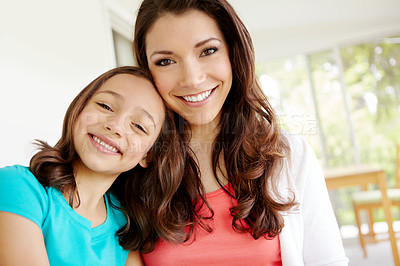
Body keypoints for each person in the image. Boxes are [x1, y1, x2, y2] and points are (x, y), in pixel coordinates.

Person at [121, 0, 350, 265]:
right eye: (166, 61)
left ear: (233, 53)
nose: (192, 78)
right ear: (146, 71)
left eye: (207, 51)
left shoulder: (289, 155)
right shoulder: (134, 163)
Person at [0, 66, 169, 265]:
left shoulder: (124, 227)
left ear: (147, 155)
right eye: (105, 106)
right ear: (80, 107)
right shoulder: (18, 186)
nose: (115, 126)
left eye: (139, 126)